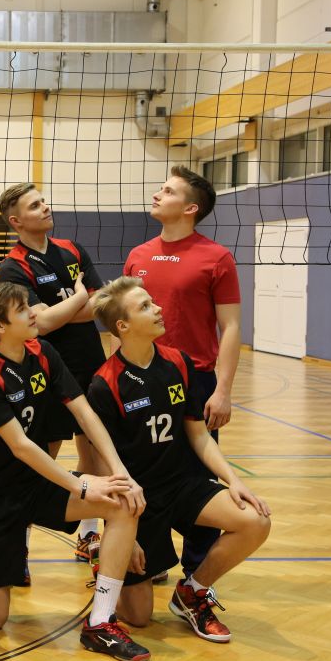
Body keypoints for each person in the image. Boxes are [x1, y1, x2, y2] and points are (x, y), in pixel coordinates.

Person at [0, 282, 151, 661]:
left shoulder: (43, 352)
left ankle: (100, 623)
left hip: (39, 483)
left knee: (121, 502)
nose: (34, 312)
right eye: (22, 309)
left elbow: (84, 412)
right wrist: (80, 485)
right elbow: (20, 446)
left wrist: (120, 472)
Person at [87, 277, 270, 642]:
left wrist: (234, 481)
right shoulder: (104, 384)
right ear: (123, 326)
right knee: (138, 617)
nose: (158, 309)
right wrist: (121, 535)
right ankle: (107, 563)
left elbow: (199, 435)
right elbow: (105, 467)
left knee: (256, 521)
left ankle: (192, 592)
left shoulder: (178, 363)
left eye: (153, 302)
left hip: (183, 485)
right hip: (139, 502)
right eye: (145, 306)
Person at [123, 166, 242, 581]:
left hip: (195, 380)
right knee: (141, 469)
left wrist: (223, 390)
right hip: (141, 377)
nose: (157, 194)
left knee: (198, 475)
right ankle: (150, 559)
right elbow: (124, 320)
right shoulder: (138, 255)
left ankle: (196, 574)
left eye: (168, 191)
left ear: (190, 208)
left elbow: (231, 327)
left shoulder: (216, 257)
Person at [0, 183, 106, 569]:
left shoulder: (72, 249)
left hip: (90, 361)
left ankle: (88, 534)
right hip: (43, 367)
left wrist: (61, 310)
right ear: (16, 221)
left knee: (93, 447)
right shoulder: (12, 266)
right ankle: (18, 546)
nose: (45, 208)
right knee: (43, 454)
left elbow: (101, 304)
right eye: (35, 205)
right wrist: (79, 297)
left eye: (43, 201)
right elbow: (38, 324)